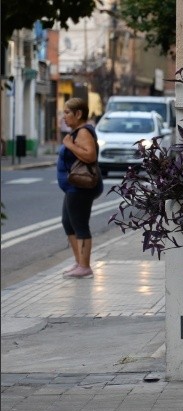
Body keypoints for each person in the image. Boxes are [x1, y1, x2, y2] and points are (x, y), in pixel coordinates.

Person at [57, 98, 104, 279]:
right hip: (72, 187)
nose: (64, 117)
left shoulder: (83, 132)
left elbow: (90, 156)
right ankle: (79, 262)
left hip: (81, 187)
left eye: (67, 113)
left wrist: (69, 145)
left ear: (78, 114)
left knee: (79, 224)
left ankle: (85, 266)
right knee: (68, 222)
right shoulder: (77, 131)